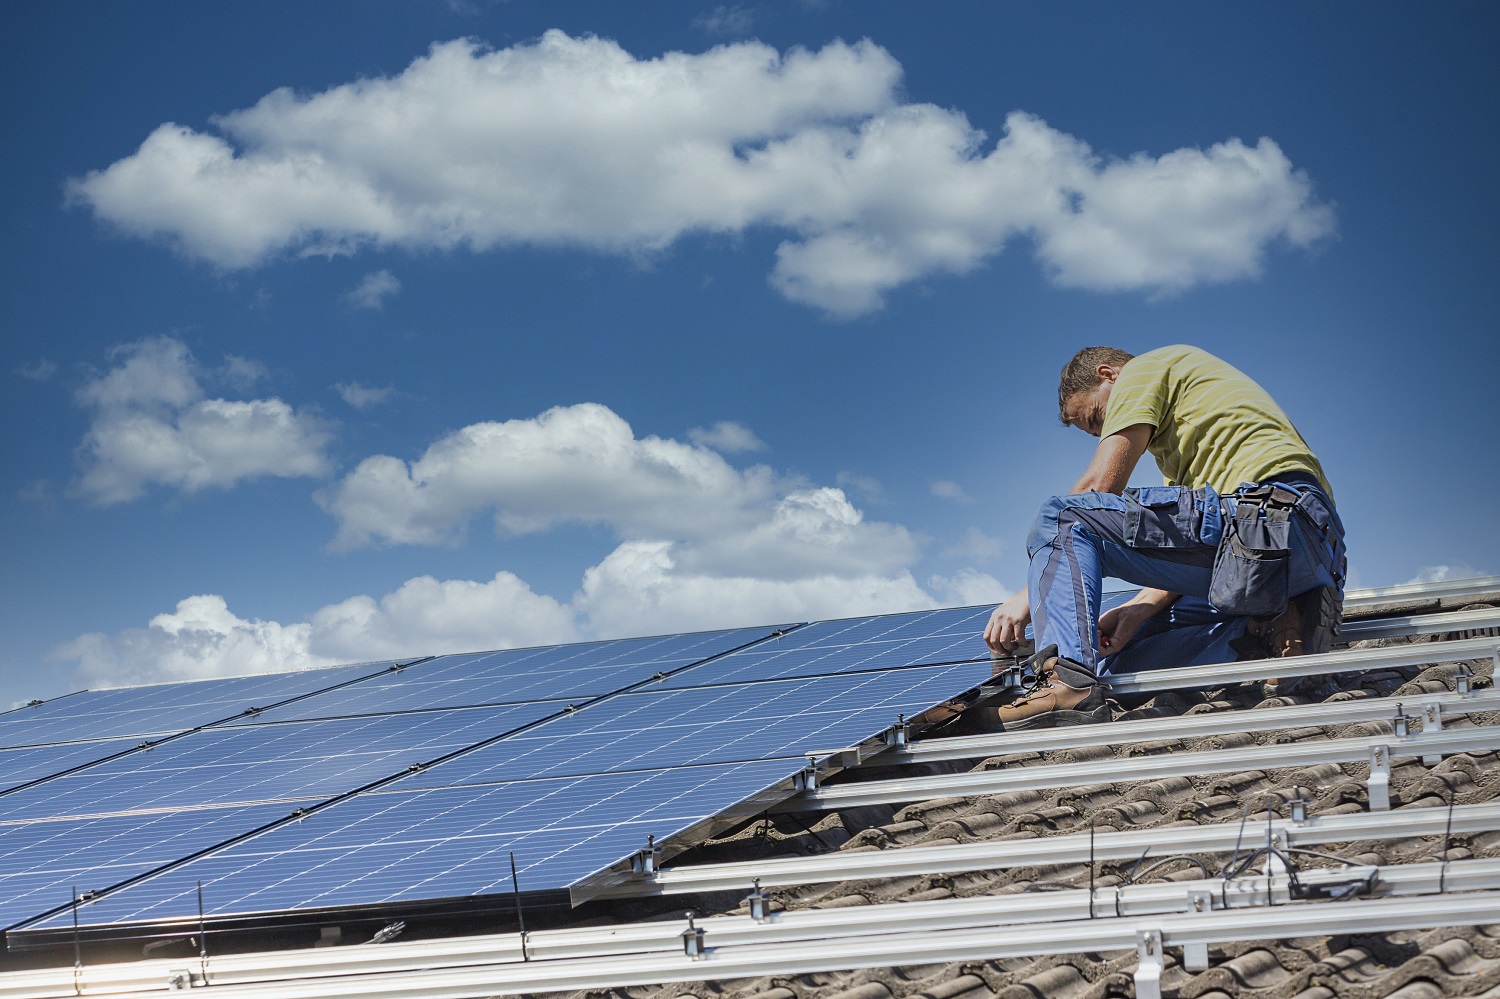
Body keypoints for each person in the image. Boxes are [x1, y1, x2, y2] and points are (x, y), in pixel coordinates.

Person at [979, 344, 1347, 730]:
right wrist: (1138, 610)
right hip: (1296, 550)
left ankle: (1065, 682)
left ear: (1109, 375)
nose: (1105, 432)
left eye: (1097, 417)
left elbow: (1100, 488)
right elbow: (1185, 544)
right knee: (1112, 655)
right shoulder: (1191, 458)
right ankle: (1267, 630)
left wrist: (1027, 594)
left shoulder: (1145, 370)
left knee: (1060, 516)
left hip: (1270, 514)